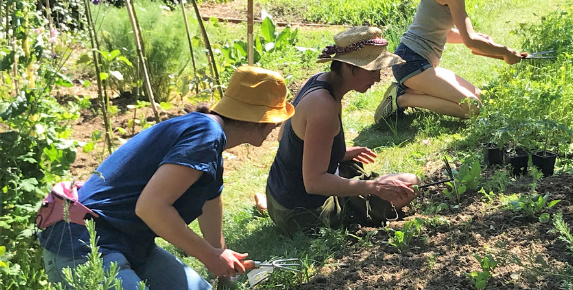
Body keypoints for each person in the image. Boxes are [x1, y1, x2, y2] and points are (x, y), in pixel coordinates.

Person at [38, 66, 295, 290]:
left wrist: (221, 262)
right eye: (274, 118)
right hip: (84, 245)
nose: (276, 126)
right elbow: (151, 207)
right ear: (258, 118)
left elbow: (210, 206)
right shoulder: (206, 134)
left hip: (131, 242)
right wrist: (209, 256)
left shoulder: (210, 138)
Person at [258, 26, 420, 235]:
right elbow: (314, 183)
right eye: (373, 70)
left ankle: (264, 205)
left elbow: (286, 139)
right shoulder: (323, 107)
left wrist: (339, 153)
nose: (378, 78)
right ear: (349, 68)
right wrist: (374, 188)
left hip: (277, 196)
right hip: (302, 214)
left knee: (364, 170)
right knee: (410, 184)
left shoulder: (318, 81)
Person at [374, 0, 527, 122]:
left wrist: (473, 40)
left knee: (479, 98)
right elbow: (471, 41)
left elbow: (442, 31)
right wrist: (504, 51)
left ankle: (412, 89)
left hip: (420, 62)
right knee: (472, 108)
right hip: (411, 63)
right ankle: (403, 98)